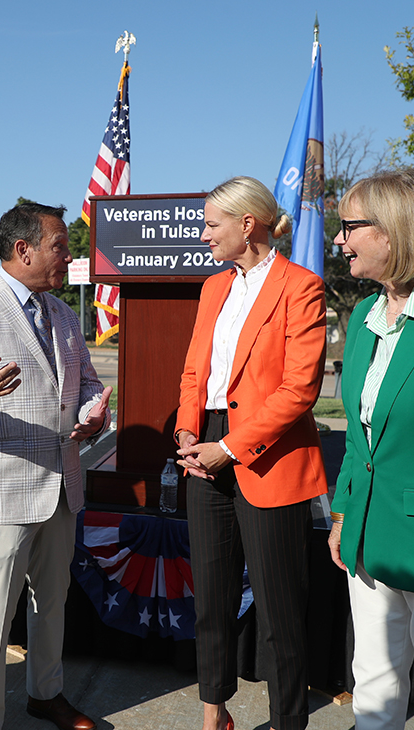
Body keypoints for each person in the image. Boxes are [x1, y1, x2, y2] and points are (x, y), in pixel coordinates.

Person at [0, 202, 111, 730]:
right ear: (22, 249)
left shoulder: (64, 314)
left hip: (61, 488)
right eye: (60, 244)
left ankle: (45, 694)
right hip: (0, 495)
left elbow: (88, 383)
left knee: (51, 604)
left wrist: (94, 411)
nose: (69, 254)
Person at [175, 176, 328, 730]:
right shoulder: (213, 287)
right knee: (212, 601)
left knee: (280, 613)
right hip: (205, 450)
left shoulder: (301, 286)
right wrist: (189, 432)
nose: (204, 234)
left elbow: (299, 389)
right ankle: (215, 713)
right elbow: (196, 369)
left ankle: (288, 721)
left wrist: (231, 448)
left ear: (247, 225)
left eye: (212, 224)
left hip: (269, 457)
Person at [327, 169, 414, 730]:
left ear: (393, 232)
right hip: (366, 530)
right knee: (375, 681)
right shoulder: (362, 314)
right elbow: (360, 439)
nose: (340, 240)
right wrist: (342, 511)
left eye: (350, 227)